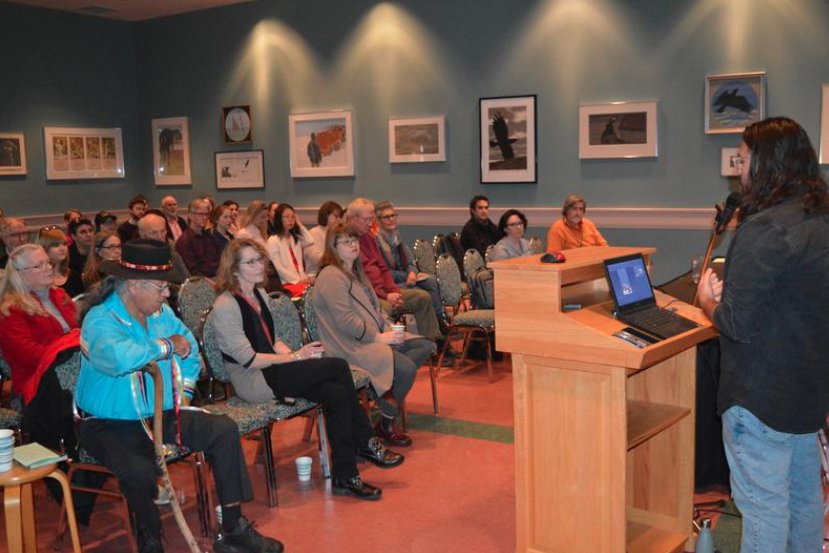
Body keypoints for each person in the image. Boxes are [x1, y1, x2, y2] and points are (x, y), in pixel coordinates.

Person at [75, 239, 285, 553]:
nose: (167, 294)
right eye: (161, 287)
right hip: (108, 422)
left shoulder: (161, 315)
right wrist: (166, 346)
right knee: (138, 469)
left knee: (223, 430)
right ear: (134, 285)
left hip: (162, 413)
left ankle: (233, 528)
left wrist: (184, 395)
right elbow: (119, 358)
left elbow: (192, 355)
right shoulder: (99, 320)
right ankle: (149, 538)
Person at [696, 117, 829, 553]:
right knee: (806, 501)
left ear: (767, 162)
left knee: (765, 509)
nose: (740, 166)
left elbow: (736, 323)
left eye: (745, 157)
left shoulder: (765, 228)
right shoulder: (819, 218)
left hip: (758, 397)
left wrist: (707, 300)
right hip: (806, 390)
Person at [212, 238, 403, 499]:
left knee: (336, 392)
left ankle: (346, 476)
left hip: (274, 369)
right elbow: (250, 360)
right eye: (251, 262)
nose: (260, 266)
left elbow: (273, 341)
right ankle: (366, 440)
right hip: (254, 380)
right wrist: (294, 356)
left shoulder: (260, 294)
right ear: (234, 269)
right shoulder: (225, 306)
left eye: (261, 260)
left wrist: (299, 356)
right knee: (337, 367)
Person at [312, 223, 436, 448]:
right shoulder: (331, 276)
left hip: (372, 336)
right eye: (346, 242)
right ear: (333, 246)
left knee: (425, 346)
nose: (353, 245)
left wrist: (387, 326)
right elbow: (346, 322)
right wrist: (379, 338)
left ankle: (381, 390)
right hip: (349, 346)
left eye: (355, 241)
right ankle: (386, 420)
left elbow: (375, 309)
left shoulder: (356, 272)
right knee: (406, 369)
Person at [0, 244, 97, 522]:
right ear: (19, 274)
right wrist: (68, 344)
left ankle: (93, 470)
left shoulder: (60, 296)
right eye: (39, 266)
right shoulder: (10, 310)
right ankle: (77, 490)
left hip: (76, 377)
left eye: (47, 263)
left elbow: (82, 331)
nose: (49, 268)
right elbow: (29, 355)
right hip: (37, 385)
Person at [346, 198, 442, 341]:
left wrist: (394, 292)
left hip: (385, 291)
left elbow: (383, 269)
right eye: (367, 220)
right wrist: (386, 296)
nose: (370, 224)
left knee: (423, 298)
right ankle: (394, 349)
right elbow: (362, 280)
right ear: (353, 218)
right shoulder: (346, 241)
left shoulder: (368, 237)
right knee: (387, 309)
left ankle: (432, 344)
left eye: (371, 219)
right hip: (370, 296)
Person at [373, 201, 448, 328]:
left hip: (406, 278)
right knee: (424, 293)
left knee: (431, 282)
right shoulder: (376, 241)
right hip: (390, 284)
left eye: (394, 215)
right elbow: (383, 271)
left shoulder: (397, 237)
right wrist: (406, 276)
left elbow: (410, 262)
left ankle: (441, 320)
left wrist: (412, 272)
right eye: (387, 217)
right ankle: (436, 327)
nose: (392, 219)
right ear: (378, 220)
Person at [265, 203, 315, 297]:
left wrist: (298, 223)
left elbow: (310, 241)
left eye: (293, 217)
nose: (290, 220)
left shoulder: (294, 238)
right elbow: (278, 268)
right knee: (310, 293)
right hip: (285, 283)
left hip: (300, 281)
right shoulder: (273, 240)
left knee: (317, 289)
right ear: (279, 219)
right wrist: (298, 280)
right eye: (286, 217)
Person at [175, 198, 222, 278]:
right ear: (190, 215)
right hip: (199, 283)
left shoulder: (211, 237)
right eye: (200, 214)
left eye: (206, 214)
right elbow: (193, 273)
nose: (204, 217)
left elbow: (219, 262)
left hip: (217, 277)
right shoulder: (184, 241)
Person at [37, 226, 85, 297]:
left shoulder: (74, 275)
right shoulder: (39, 278)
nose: (62, 248)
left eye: (64, 244)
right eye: (56, 245)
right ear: (45, 249)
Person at [304, 201, 343, 275]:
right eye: (336, 216)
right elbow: (317, 259)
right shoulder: (314, 232)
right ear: (326, 215)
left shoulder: (337, 234)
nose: (339, 220)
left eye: (340, 217)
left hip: (334, 272)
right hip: (315, 274)